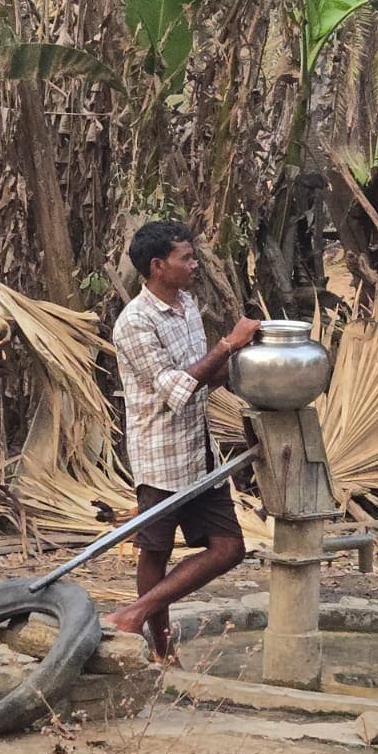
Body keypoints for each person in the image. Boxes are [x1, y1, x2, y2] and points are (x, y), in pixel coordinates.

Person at [105, 221, 260, 662]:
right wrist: (229, 344)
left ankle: (134, 614)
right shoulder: (134, 323)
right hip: (160, 453)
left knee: (229, 548)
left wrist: (253, 367)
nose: (195, 266)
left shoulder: (187, 304)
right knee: (155, 549)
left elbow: (205, 374)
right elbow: (177, 387)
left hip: (199, 449)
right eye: (186, 258)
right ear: (158, 266)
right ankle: (161, 649)